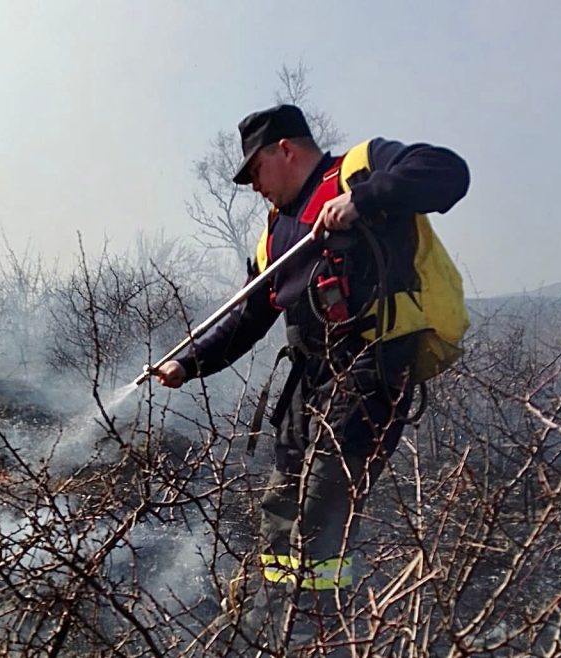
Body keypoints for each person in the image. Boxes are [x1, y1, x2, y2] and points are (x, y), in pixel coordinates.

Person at [157, 104, 470, 654]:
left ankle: (314, 635)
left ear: (285, 150)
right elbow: (248, 316)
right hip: (309, 381)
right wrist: (188, 362)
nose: (254, 187)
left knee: (322, 508)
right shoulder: (275, 234)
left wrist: (364, 199)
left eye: (254, 171)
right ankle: (273, 626)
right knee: (281, 504)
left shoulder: (361, 168)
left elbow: (449, 172)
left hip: (371, 368)